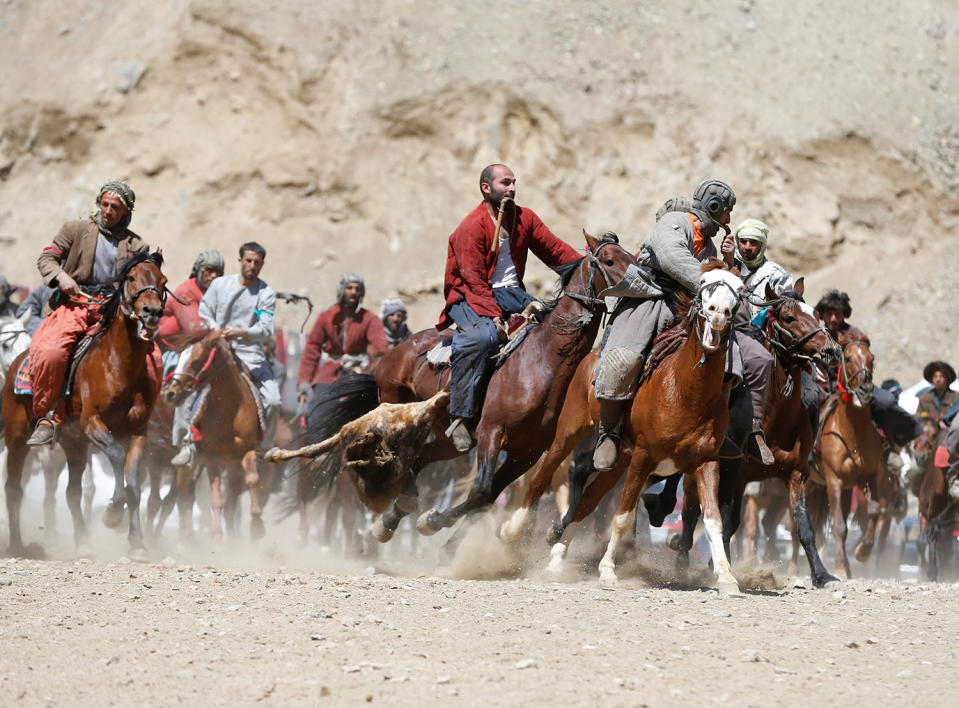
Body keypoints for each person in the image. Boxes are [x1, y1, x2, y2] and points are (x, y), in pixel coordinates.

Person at [592, 179, 776, 469]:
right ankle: (609, 432)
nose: (728, 220)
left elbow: (717, 281)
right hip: (651, 300)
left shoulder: (711, 244)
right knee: (623, 358)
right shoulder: (673, 223)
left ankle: (718, 430)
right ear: (714, 207)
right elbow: (672, 257)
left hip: (689, 307)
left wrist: (726, 261)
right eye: (726, 212)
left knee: (731, 360)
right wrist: (710, 283)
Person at [437, 163, 581, 451]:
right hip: (468, 296)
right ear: (486, 188)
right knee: (482, 338)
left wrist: (592, 266)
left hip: (512, 295)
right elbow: (473, 279)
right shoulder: (471, 226)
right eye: (505, 183)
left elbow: (556, 252)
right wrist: (494, 318)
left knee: (556, 330)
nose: (512, 188)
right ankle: (460, 417)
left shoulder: (524, 218)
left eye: (514, 182)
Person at [26, 180, 156, 446]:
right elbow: (46, 258)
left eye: (115, 207)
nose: (107, 211)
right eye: (104, 204)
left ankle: (141, 420)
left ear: (126, 212)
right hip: (75, 305)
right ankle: (47, 416)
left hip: (115, 312)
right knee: (51, 352)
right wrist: (61, 276)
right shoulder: (75, 229)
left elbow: (144, 282)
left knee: (155, 361)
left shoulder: (138, 246)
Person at [170, 242, 279, 466]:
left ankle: (263, 448)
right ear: (240, 261)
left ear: (262, 265)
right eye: (248, 261)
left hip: (250, 353)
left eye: (257, 262)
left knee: (274, 400)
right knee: (188, 386)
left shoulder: (265, 294)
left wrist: (243, 331)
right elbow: (205, 312)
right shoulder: (220, 285)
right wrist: (217, 333)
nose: (252, 265)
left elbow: (266, 327)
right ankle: (187, 443)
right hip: (217, 349)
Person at [156, 250, 224, 463]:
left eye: (218, 272)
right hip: (172, 349)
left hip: (204, 348)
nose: (213, 276)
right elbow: (194, 329)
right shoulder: (186, 292)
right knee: (186, 380)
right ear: (199, 271)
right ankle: (185, 441)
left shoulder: (217, 294)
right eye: (209, 271)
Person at [296, 272, 387, 415]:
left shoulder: (370, 319)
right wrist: (304, 381)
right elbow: (312, 349)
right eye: (349, 288)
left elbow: (379, 349)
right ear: (342, 290)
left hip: (358, 371)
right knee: (318, 409)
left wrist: (371, 368)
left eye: (357, 289)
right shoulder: (326, 317)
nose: (353, 292)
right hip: (329, 373)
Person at [733, 218, 793, 318]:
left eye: (753, 242)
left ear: (762, 244)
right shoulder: (725, 269)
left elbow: (787, 313)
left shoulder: (777, 275)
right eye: (743, 241)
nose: (747, 247)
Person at [916, 361, 957, 431]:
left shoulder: (956, 397)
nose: (938, 379)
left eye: (941, 376)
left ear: (947, 379)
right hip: (929, 432)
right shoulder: (924, 398)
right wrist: (933, 418)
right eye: (935, 376)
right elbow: (919, 415)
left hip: (950, 431)